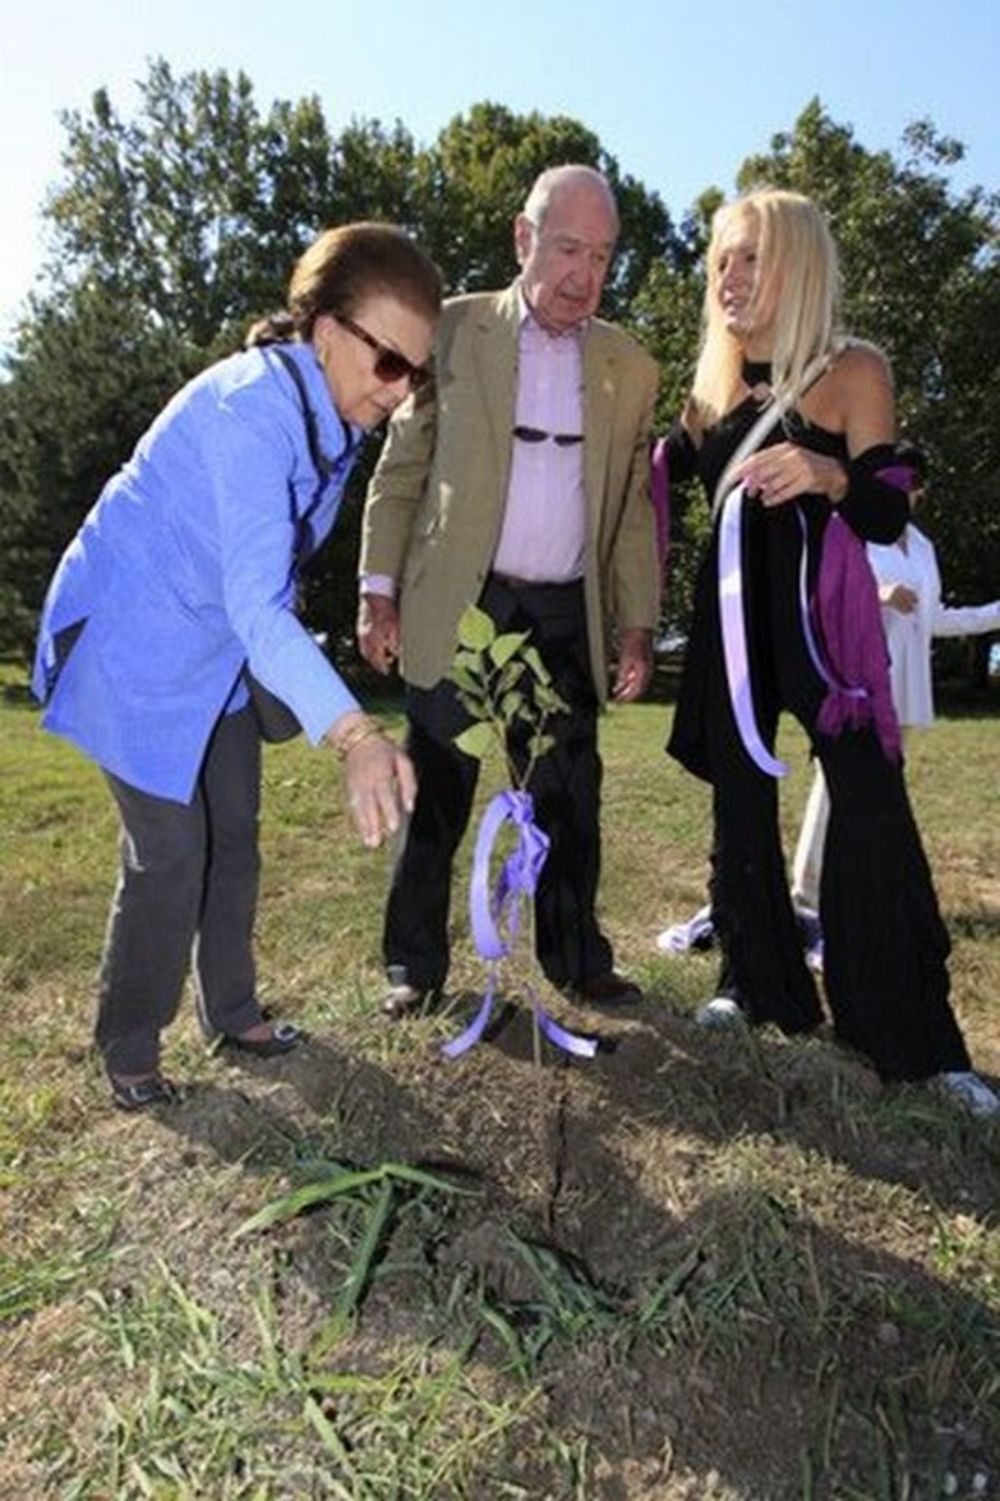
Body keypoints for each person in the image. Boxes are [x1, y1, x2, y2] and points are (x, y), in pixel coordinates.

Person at [32, 223, 442, 1110]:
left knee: (238, 834)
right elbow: (260, 600)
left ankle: (234, 1011)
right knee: (171, 855)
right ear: (326, 330)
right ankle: (130, 1048)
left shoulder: (334, 418)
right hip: (132, 647)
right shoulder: (250, 412)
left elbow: (263, 585)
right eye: (389, 364)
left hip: (210, 657)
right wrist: (356, 732)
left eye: (418, 372)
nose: (402, 392)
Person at [660, 188, 997, 1116]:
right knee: (739, 798)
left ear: (800, 265)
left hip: (827, 624)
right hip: (732, 622)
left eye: (752, 258)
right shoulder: (712, 387)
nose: (730, 277)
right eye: (722, 259)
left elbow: (887, 507)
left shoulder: (854, 370)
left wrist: (826, 470)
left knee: (869, 801)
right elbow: (658, 473)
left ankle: (917, 1041)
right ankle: (754, 980)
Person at [357, 165, 660, 1018]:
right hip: (463, 602)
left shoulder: (630, 368)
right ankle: (413, 966)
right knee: (438, 789)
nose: (583, 274)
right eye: (568, 248)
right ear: (524, 240)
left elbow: (633, 510)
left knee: (568, 793)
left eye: (601, 257)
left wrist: (637, 621)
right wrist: (378, 590)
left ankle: (576, 960)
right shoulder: (450, 334)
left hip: (563, 610)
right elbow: (401, 469)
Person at [791, 442, 1000, 918]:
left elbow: (935, 620)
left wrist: (995, 613)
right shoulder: (848, 530)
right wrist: (877, 594)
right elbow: (821, 599)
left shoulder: (923, 547)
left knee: (879, 792)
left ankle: (865, 891)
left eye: (909, 485)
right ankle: (807, 897)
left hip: (906, 687)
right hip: (855, 683)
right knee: (835, 783)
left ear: (919, 491)